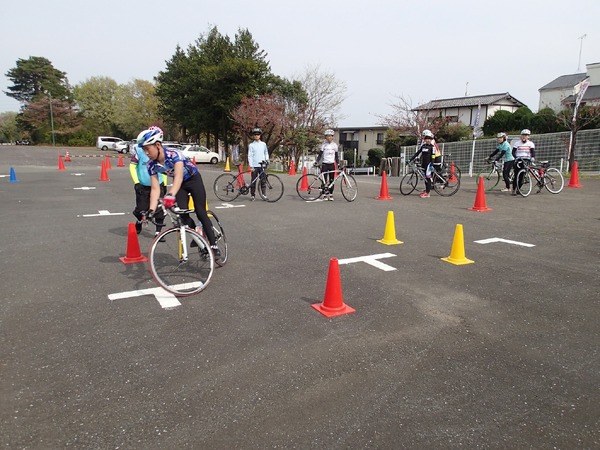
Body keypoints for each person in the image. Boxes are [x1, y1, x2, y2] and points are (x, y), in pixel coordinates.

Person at [136, 127, 221, 260]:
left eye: (148, 148)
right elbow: (155, 188)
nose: (146, 153)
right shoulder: (151, 165)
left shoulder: (174, 154)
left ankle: (214, 246)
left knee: (200, 212)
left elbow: (179, 176)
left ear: (158, 145)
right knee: (183, 216)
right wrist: (150, 210)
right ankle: (198, 235)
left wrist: (170, 194)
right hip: (180, 186)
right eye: (143, 150)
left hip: (193, 180)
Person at [129, 143, 167, 237]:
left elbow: (163, 169)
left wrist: (165, 183)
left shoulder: (160, 151)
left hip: (158, 185)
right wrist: (136, 182)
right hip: (143, 185)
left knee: (159, 210)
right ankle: (139, 221)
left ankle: (158, 232)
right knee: (141, 209)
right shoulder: (139, 151)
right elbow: (132, 167)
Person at [408, 129, 436, 198]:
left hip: (429, 164)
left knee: (428, 178)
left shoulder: (432, 147)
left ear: (431, 140)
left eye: (429, 139)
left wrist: (431, 165)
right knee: (425, 178)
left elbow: (433, 157)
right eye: (426, 139)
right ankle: (426, 191)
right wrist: (410, 159)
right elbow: (417, 153)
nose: (428, 140)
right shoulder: (423, 146)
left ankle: (428, 193)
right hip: (423, 163)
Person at [315, 129, 340, 201]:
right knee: (324, 180)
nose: (329, 138)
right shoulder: (323, 145)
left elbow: (336, 156)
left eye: (330, 136)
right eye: (327, 136)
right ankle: (324, 194)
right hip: (324, 164)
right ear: (325, 137)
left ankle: (331, 194)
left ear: (332, 137)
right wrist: (317, 161)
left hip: (332, 164)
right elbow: (320, 155)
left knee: (332, 180)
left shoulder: (335, 145)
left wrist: (338, 163)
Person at [247, 127, 270, 201]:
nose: (256, 136)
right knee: (253, 181)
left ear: (260, 135)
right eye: (255, 134)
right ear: (253, 136)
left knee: (263, 180)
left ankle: (264, 194)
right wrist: (251, 165)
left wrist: (267, 160)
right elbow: (250, 156)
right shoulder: (251, 145)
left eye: (258, 134)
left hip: (262, 165)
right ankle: (252, 195)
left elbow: (266, 152)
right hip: (254, 165)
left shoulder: (263, 144)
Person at [511, 129, 536, 195]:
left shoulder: (530, 144)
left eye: (526, 135)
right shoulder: (517, 143)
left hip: (526, 160)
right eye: (523, 135)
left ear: (528, 136)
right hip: (518, 160)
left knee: (522, 176)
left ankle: (518, 189)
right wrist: (516, 157)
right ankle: (514, 189)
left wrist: (532, 157)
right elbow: (513, 152)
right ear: (521, 136)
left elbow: (532, 152)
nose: (524, 136)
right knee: (516, 175)